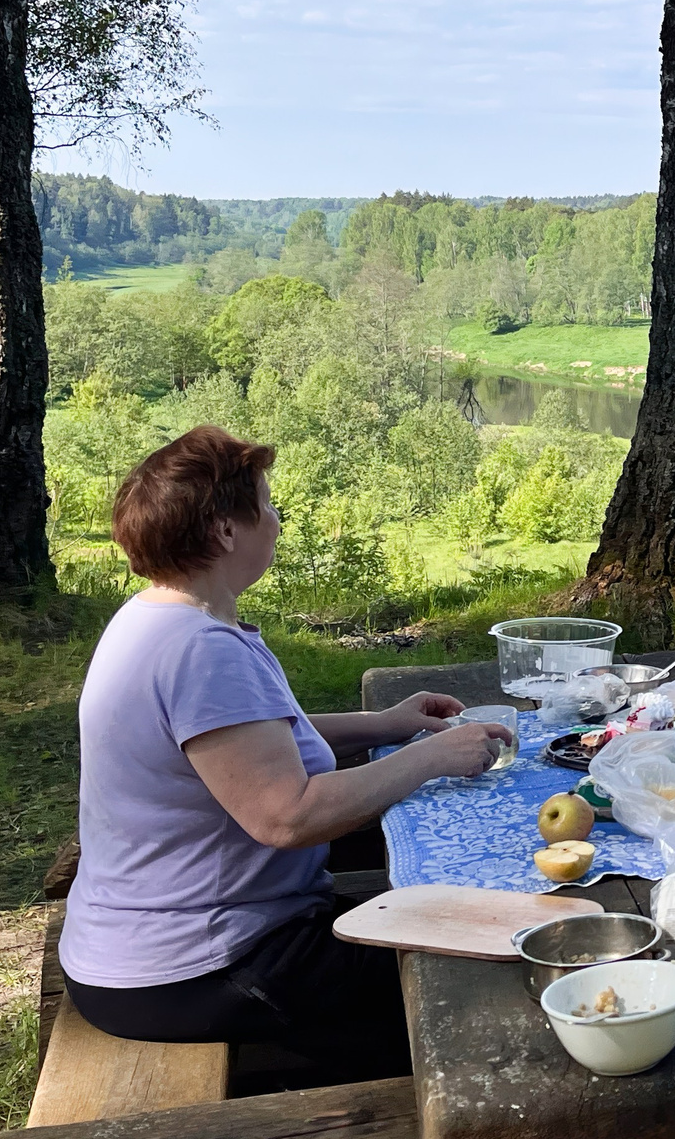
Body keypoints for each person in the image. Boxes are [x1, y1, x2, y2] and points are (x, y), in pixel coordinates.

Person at [59, 426, 505, 1080]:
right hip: (199, 962)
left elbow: (250, 739)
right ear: (224, 529)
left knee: (439, 922)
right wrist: (433, 757)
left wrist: (381, 721)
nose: (276, 518)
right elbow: (286, 816)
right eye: (267, 505)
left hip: (168, 942)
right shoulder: (199, 649)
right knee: (467, 983)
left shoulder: (159, 618)